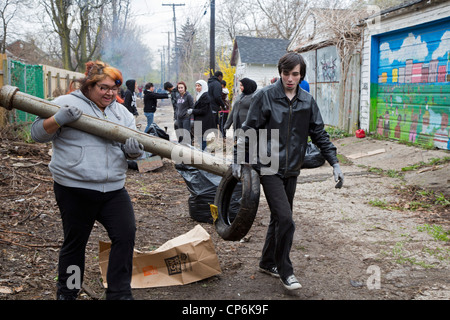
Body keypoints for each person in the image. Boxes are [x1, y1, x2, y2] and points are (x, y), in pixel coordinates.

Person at [30, 60, 144, 300]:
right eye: (103, 87)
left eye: (114, 88)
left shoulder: (122, 112)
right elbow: (37, 134)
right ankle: (68, 292)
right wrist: (58, 119)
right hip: (74, 188)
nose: (110, 93)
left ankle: (119, 293)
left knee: (125, 235)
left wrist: (134, 152)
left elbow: (133, 151)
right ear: (89, 86)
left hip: (113, 189)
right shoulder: (64, 103)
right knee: (76, 244)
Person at [233, 52, 344, 290]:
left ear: (301, 74)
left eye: (295, 74)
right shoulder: (265, 96)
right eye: (286, 73)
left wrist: (334, 162)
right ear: (280, 73)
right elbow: (247, 130)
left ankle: (266, 262)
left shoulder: (307, 101)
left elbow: (320, 134)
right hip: (268, 166)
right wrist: (239, 160)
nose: (290, 79)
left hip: (292, 168)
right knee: (286, 219)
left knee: (278, 218)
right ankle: (286, 270)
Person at [186, 79, 215, 150]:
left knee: (202, 138)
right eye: (196, 86)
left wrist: (193, 111)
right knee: (200, 138)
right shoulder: (200, 95)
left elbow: (203, 110)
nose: (197, 87)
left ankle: (203, 154)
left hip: (204, 121)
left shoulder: (205, 96)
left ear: (203, 86)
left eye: (199, 86)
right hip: (200, 120)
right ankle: (202, 152)